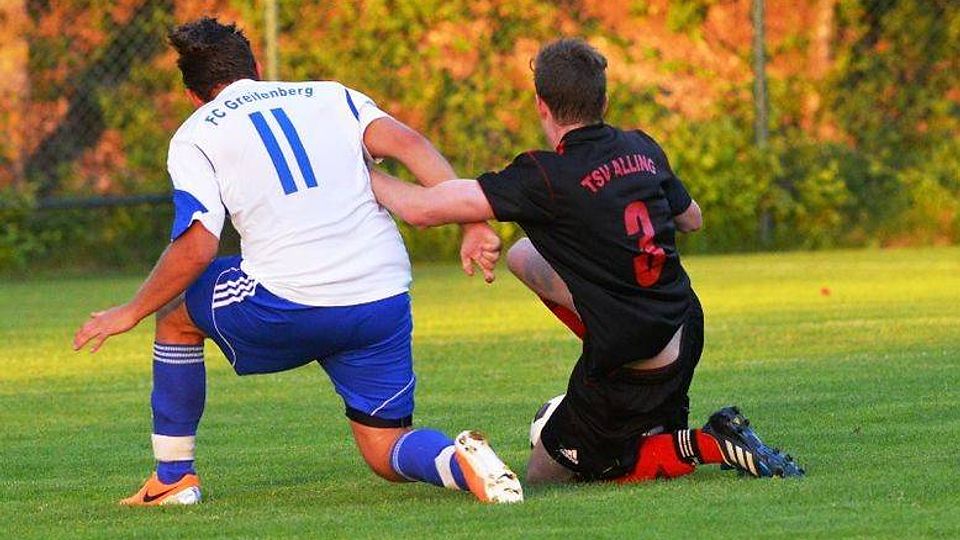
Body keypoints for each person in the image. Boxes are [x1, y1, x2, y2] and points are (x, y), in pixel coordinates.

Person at [72, 17, 522, 505]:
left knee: (176, 313)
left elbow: (199, 244)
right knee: (384, 449)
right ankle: (463, 464)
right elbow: (410, 144)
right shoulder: (332, 95)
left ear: (193, 95)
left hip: (288, 301)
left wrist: (130, 310)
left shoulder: (195, 132)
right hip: (381, 296)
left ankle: (173, 480)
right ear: (257, 69)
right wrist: (470, 223)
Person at [369, 38, 804, 484]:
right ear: (604, 100)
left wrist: (361, 171)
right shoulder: (642, 148)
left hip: (637, 361)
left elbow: (422, 209)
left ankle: (712, 441)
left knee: (548, 475)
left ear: (542, 105)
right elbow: (692, 219)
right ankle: (635, 403)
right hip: (683, 325)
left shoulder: (545, 176)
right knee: (523, 254)